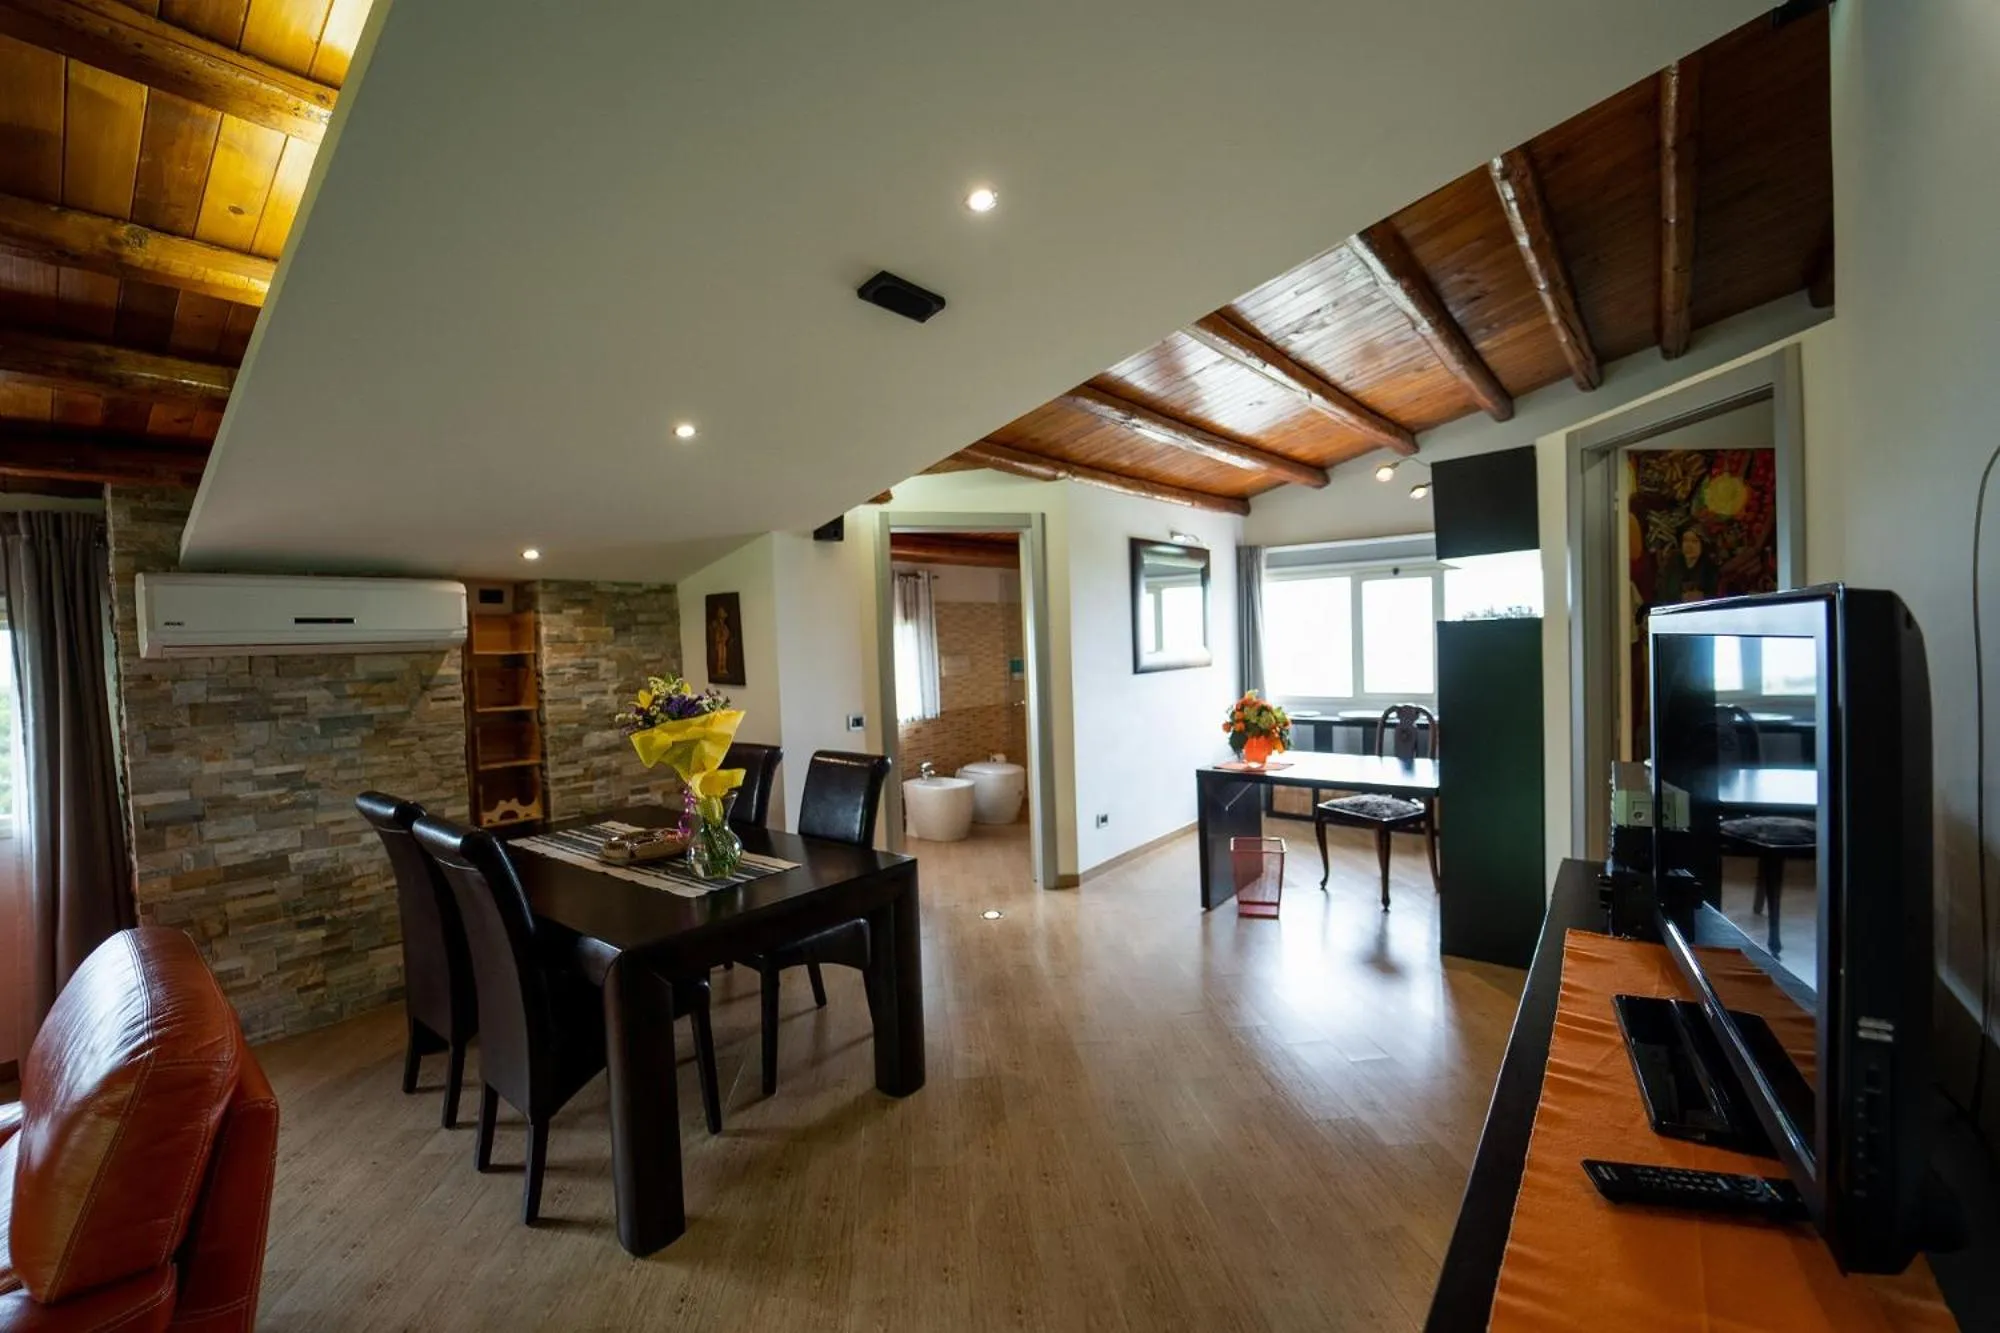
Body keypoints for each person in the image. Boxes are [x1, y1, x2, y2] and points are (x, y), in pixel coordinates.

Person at [1656, 526, 1718, 604]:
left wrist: (1702, 597)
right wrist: (1680, 597)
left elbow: (1714, 595)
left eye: (1694, 541)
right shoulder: (1672, 561)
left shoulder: (1709, 566)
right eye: (1685, 540)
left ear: (1703, 544)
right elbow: (1662, 592)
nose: (1689, 545)